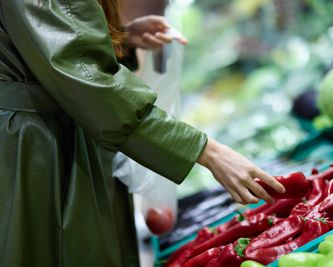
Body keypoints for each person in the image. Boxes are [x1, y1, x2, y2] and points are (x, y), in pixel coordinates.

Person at [0, 0, 285, 266]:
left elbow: (51, 40)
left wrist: (117, 37)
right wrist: (207, 151)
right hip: (35, 146)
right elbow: (90, 84)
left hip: (49, 130)